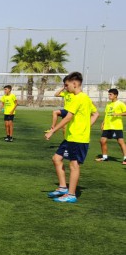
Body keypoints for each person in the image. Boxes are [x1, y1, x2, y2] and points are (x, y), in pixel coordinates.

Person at [45, 72, 99, 203]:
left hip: (77, 138)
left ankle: (71, 194)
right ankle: (63, 187)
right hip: (71, 137)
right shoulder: (85, 98)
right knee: (56, 158)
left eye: (67, 85)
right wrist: (86, 126)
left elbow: (68, 117)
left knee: (74, 165)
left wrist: (53, 131)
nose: (66, 87)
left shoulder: (78, 98)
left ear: (74, 84)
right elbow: (96, 114)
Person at [95, 88, 126, 164]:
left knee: (120, 142)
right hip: (107, 126)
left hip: (116, 126)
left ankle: (125, 158)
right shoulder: (108, 104)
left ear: (115, 95)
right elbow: (106, 115)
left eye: (110, 94)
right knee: (102, 140)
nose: (109, 96)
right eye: (108, 94)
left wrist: (117, 114)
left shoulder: (120, 103)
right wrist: (103, 123)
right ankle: (105, 157)